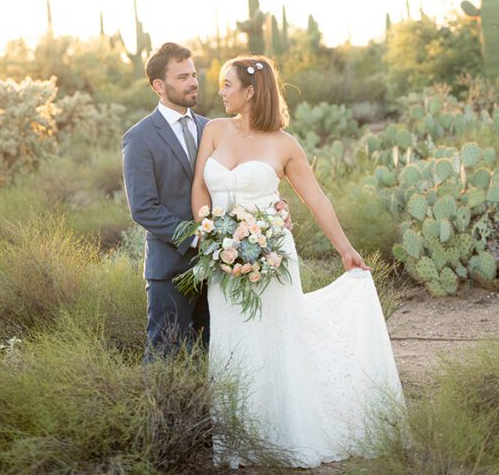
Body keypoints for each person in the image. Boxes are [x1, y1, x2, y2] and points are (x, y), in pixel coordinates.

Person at [193, 54, 405, 468]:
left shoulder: (285, 145)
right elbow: (199, 189)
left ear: (250, 91)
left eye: (226, 84)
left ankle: (287, 435)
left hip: (272, 258)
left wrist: (345, 248)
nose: (220, 92)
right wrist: (210, 234)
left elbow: (316, 198)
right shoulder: (214, 130)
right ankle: (241, 439)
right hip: (221, 257)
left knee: (277, 341)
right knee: (233, 344)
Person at [122, 43, 290, 359]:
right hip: (171, 268)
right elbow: (143, 208)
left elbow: (240, 180)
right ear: (159, 86)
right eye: (183, 76)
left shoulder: (212, 128)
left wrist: (275, 205)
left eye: (194, 74)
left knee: (217, 351)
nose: (193, 82)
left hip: (222, 267)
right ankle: (160, 410)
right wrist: (201, 237)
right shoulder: (140, 138)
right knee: (165, 353)